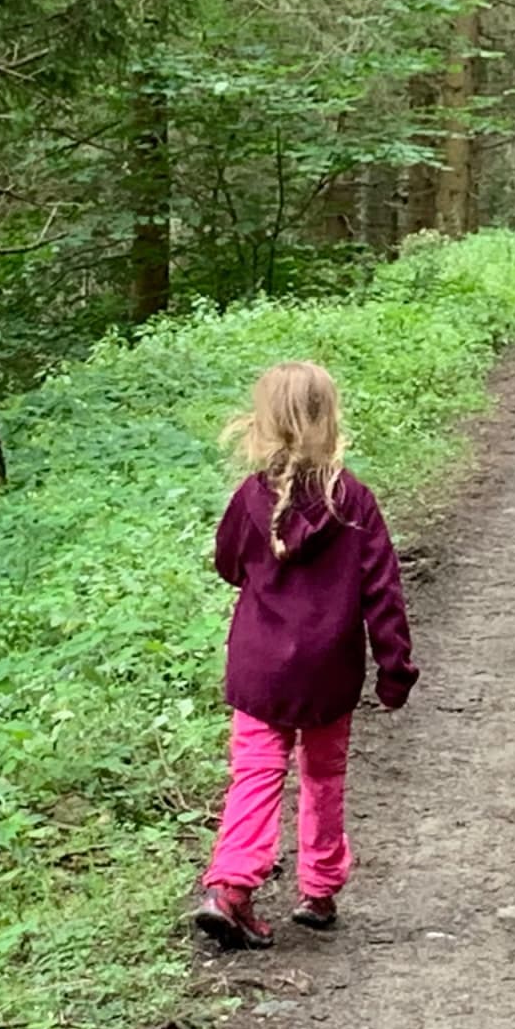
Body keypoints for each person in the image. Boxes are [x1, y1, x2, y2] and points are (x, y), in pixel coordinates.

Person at [194, 361, 418, 948]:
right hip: (328, 671)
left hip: (259, 669)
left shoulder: (250, 498)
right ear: (329, 419)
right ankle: (319, 889)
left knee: (255, 773)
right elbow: (383, 592)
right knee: (323, 776)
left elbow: (229, 566)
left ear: (264, 421)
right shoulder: (354, 501)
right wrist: (395, 669)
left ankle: (231, 888)